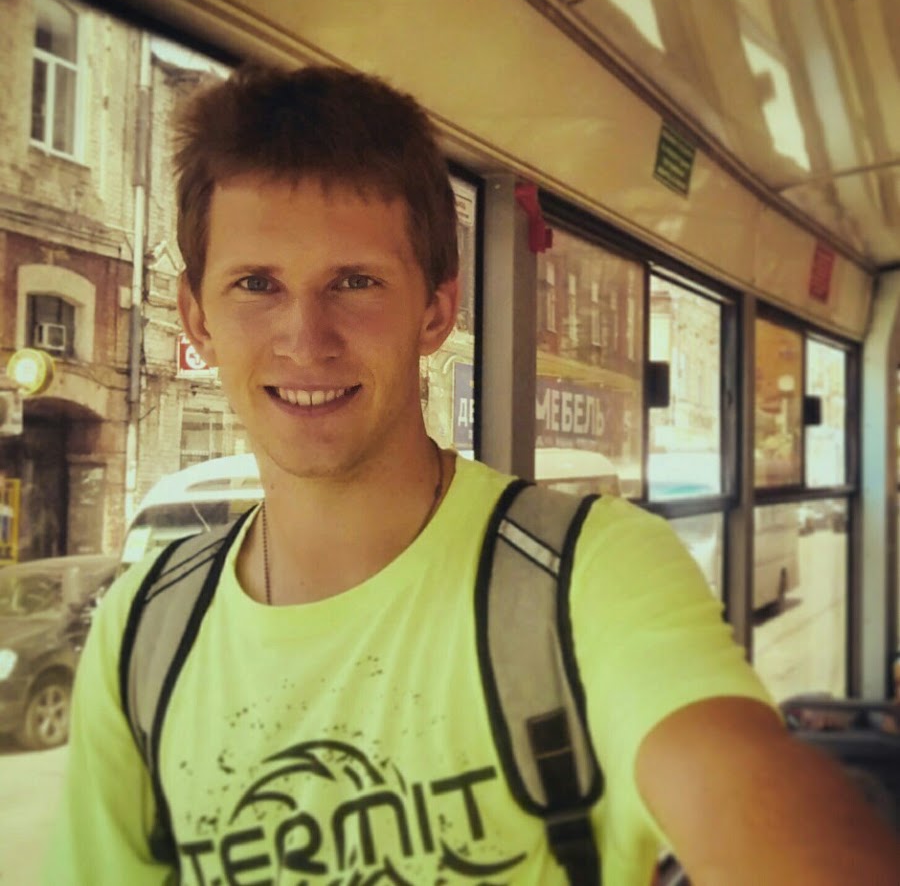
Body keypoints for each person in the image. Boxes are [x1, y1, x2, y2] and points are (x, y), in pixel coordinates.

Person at [46, 63, 899, 885]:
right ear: (196, 316)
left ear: (436, 310)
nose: (306, 339)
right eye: (256, 284)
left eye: (355, 281)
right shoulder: (142, 634)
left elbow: (748, 799)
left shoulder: (589, 576)